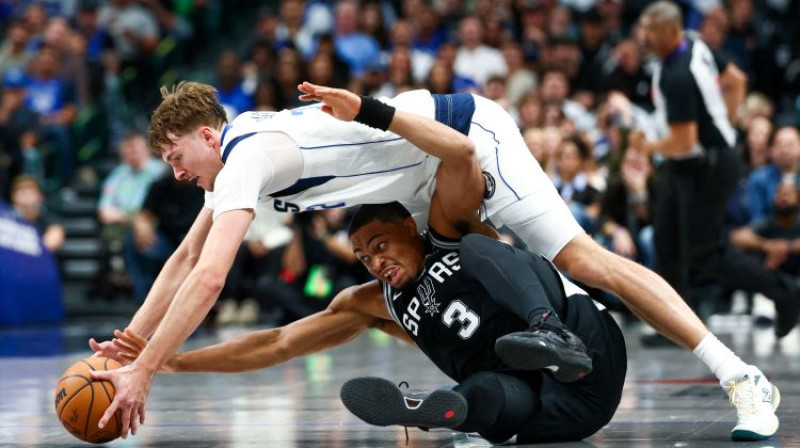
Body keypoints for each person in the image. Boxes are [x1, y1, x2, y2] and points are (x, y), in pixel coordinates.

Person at [90, 81, 779, 440]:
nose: (178, 175)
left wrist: (146, 372)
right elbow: (184, 255)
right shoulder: (238, 155)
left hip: (460, 132)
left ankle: (739, 374)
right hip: (410, 181)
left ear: (206, 136)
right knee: (434, 292)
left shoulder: (246, 157)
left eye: (178, 159)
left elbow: (209, 276)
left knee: (583, 257)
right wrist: (128, 350)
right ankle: (490, 398)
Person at [108, 200, 624, 445]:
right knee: (483, 394)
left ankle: (548, 328)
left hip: (591, 353)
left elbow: (459, 156)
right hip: (553, 414)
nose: (374, 262)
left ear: (409, 226)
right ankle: (436, 411)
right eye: (362, 256)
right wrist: (165, 361)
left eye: (380, 246)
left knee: (477, 247)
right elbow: (278, 343)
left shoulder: (449, 230)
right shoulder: (373, 301)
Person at [630, 2, 800, 339]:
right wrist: (727, 124)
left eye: (652, 30)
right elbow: (737, 79)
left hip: (707, 166)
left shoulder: (678, 75)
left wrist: (647, 147)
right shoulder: (694, 40)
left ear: (672, 30)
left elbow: (683, 140)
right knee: (666, 243)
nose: (644, 36)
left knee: (704, 253)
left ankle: (784, 291)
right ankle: (675, 326)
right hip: (691, 163)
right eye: (643, 28)